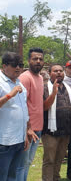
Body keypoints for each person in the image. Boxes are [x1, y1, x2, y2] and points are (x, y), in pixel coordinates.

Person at [42, 64, 71, 181]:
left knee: (59, 158)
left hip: (66, 130)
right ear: (49, 73)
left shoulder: (68, 88)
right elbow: (44, 107)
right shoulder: (45, 88)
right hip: (50, 131)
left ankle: (55, 177)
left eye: (60, 71)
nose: (58, 73)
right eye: (55, 71)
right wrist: (54, 93)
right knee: (49, 159)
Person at [0, 52, 29, 181]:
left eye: (20, 65)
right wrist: (9, 95)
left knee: (12, 175)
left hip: (19, 139)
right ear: (4, 65)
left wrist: (25, 134)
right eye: (14, 65)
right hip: (4, 141)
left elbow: (24, 111)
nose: (18, 68)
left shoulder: (19, 83)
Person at [19, 48, 44, 181]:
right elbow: (20, 104)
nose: (38, 61)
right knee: (21, 165)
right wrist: (26, 128)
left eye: (40, 59)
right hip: (26, 130)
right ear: (29, 61)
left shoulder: (39, 78)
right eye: (35, 59)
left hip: (37, 129)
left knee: (27, 163)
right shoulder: (25, 77)